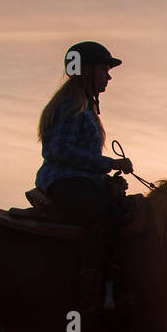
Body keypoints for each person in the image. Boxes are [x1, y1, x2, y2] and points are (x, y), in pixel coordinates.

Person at [35, 40, 133, 314]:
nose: (109, 76)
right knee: (106, 214)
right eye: (104, 69)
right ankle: (91, 286)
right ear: (87, 71)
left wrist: (105, 180)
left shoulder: (82, 105)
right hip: (63, 180)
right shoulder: (71, 105)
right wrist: (108, 164)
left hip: (74, 179)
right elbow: (61, 150)